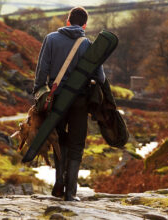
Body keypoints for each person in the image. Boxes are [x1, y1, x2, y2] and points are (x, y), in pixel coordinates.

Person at [33, 7, 105, 201]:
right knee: (76, 144)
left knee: (59, 140)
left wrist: (39, 93)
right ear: (84, 25)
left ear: (67, 21)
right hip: (79, 101)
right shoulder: (88, 45)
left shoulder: (50, 39)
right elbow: (100, 76)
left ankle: (58, 184)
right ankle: (71, 192)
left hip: (56, 99)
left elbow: (41, 71)